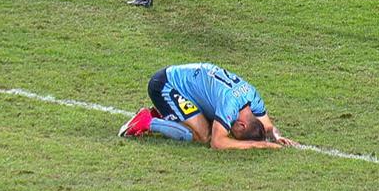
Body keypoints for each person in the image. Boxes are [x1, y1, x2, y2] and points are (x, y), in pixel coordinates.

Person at [118, 63, 298, 150]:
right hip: (165, 85)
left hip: (183, 84)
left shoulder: (253, 97)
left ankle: (169, 113)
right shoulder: (229, 106)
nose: (230, 132)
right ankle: (147, 121)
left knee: (210, 127)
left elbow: (267, 126)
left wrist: (276, 136)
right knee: (203, 135)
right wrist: (257, 145)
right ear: (242, 124)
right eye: (234, 133)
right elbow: (217, 143)